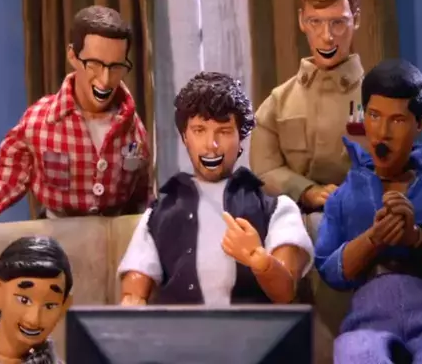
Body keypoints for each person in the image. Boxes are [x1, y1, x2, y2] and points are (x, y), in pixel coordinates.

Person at [0, 5, 152, 242]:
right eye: (94, 64)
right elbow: (7, 177)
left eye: (116, 67)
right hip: (55, 238)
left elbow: (141, 194)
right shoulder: (40, 121)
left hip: (114, 241)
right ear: (73, 56)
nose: (105, 79)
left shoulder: (134, 130)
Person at [315, 59, 422, 363]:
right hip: (366, 319)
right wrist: (373, 240)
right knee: (356, 353)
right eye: (374, 116)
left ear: (420, 124)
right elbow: (330, 269)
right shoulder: (342, 198)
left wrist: (417, 238)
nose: (383, 133)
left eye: (397, 120)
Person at [117, 72, 314, 305]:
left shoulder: (276, 208)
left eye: (224, 131)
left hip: (251, 328)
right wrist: (133, 301)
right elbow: (134, 291)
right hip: (180, 327)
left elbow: (286, 292)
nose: (211, 145)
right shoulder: (159, 213)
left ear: (240, 138)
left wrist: (259, 260)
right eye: (199, 130)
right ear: (185, 137)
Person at [250, 0, 365, 218]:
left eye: (338, 23)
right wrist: (306, 190)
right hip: (291, 223)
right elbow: (264, 169)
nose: (327, 36)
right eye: (316, 22)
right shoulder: (278, 102)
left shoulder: (376, 100)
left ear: (355, 20)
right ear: (302, 21)